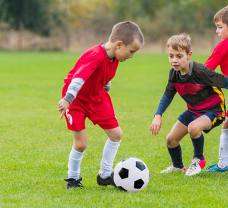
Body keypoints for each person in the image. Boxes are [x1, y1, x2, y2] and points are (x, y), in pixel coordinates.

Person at [58, 21, 144, 189]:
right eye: (131, 51)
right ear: (119, 45)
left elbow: (104, 75)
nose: (131, 56)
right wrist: (67, 99)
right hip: (75, 100)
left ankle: (105, 175)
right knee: (81, 143)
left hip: (97, 98)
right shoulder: (95, 55)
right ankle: (73, 179)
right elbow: (79, 78)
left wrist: (106, 86)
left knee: (116, 134)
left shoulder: (115, 57)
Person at [149, 33, 228, 176]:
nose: (174, 60)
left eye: (179, 56)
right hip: (193, 111)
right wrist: (158, 115)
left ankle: (199, 159)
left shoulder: (200, 71)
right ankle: (178, 166)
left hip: (214, 110)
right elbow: (168, 95)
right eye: (171, 56)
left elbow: (224, 82)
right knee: (171, 140)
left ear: (189, 55)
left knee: (194, 128)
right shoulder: (174, 74)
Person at [204, 6, 228, 172]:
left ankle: (223, 164)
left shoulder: (222, 46)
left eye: (220, 27)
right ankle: (223, 164)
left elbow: (206, 70)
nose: (217, 32)